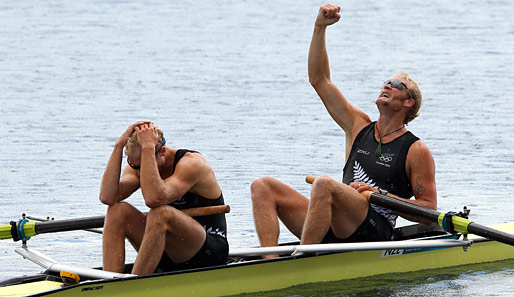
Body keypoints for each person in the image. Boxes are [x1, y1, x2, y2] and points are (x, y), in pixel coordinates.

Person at [251, 4, 436, 254]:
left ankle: (301, 261)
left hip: (374, 228)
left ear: (408, 102)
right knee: (262, 185)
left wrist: (380, 193)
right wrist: (319, 28)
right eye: (386, 82)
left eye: (395, 84)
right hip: (334, 222)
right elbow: (320, 80)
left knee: (324, 184)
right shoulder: (357, 124)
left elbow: (429, 211)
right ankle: (269, 262)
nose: (387, 85)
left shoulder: (415, 149)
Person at [99, 121, 228, 275]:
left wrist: (148, 148)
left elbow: (154, 199)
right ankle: (108, 282)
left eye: (142, 164)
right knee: (117, 211)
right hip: (166, 250)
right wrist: (118, 146)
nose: (138, 171)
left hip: (208, 250)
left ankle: (133, 284)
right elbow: (108, 196)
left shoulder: (192, 164)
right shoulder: (136, 166)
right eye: (134, 166)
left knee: (160, 213)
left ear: (162, 152)